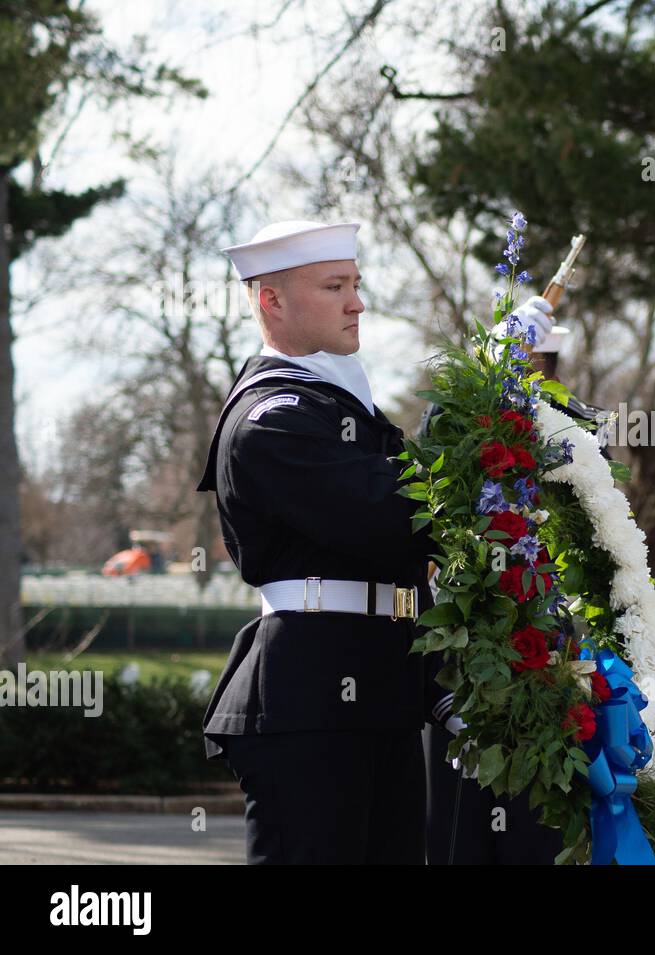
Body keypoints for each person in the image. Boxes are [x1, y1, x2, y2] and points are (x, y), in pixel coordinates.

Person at [197, 219, 437, 864]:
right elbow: (392, 519)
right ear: (270, 299)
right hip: (310, 692)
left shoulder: (337, 404)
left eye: (355, 284)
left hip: (379, 683)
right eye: (334, 286)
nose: (357, 302)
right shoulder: (271, 417)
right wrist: (474, 430)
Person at [421, 301, 601, 865]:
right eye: (514, 356)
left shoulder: (579, 432)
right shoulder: (461, 424)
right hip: (463, 667)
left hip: (551, 662)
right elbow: (430, 463)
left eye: (536, 359)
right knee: (458, 840)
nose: (527, 368)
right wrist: (481, 374)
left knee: (536, 839)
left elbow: (599, 551)